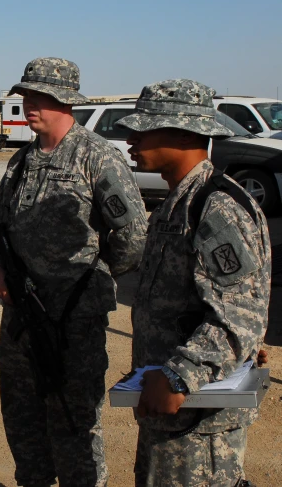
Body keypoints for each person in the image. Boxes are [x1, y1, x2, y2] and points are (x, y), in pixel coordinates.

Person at [0, 57, 147, 487]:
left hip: (73, 322)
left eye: (39, 97)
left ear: (65, 100)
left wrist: (90, 281)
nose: (27, 104)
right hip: (20, 319)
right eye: (26, 96)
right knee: (23, 423)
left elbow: (132, 236)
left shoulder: (97, 157)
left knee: (74, 425)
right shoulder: (20, 162)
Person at [116, 79, 270, 487]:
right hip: (174, 411)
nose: (130, 138)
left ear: (183, 132)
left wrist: (177, 376)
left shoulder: (215, 207)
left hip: (198, 421)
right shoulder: (178, 202)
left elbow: (240, 316)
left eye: (144, 128)